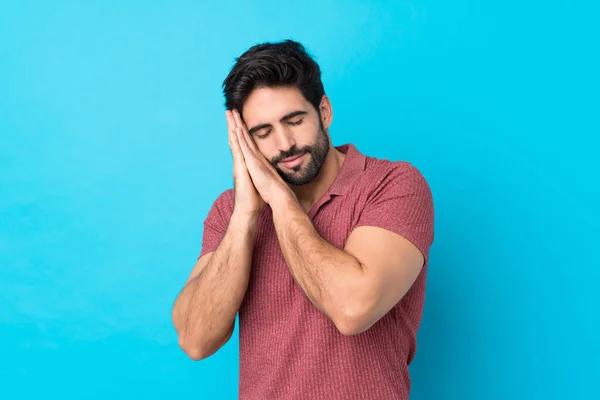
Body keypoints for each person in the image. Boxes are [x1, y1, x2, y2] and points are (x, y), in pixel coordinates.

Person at [171, 39, 434, 400]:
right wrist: (246, 215)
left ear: (324, 111)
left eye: (294, 121)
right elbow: (195, 339)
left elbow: (352, 310)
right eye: (262, 133)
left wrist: (279, 200)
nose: (284, 144)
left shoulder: (392, 185)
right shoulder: (231, 210)